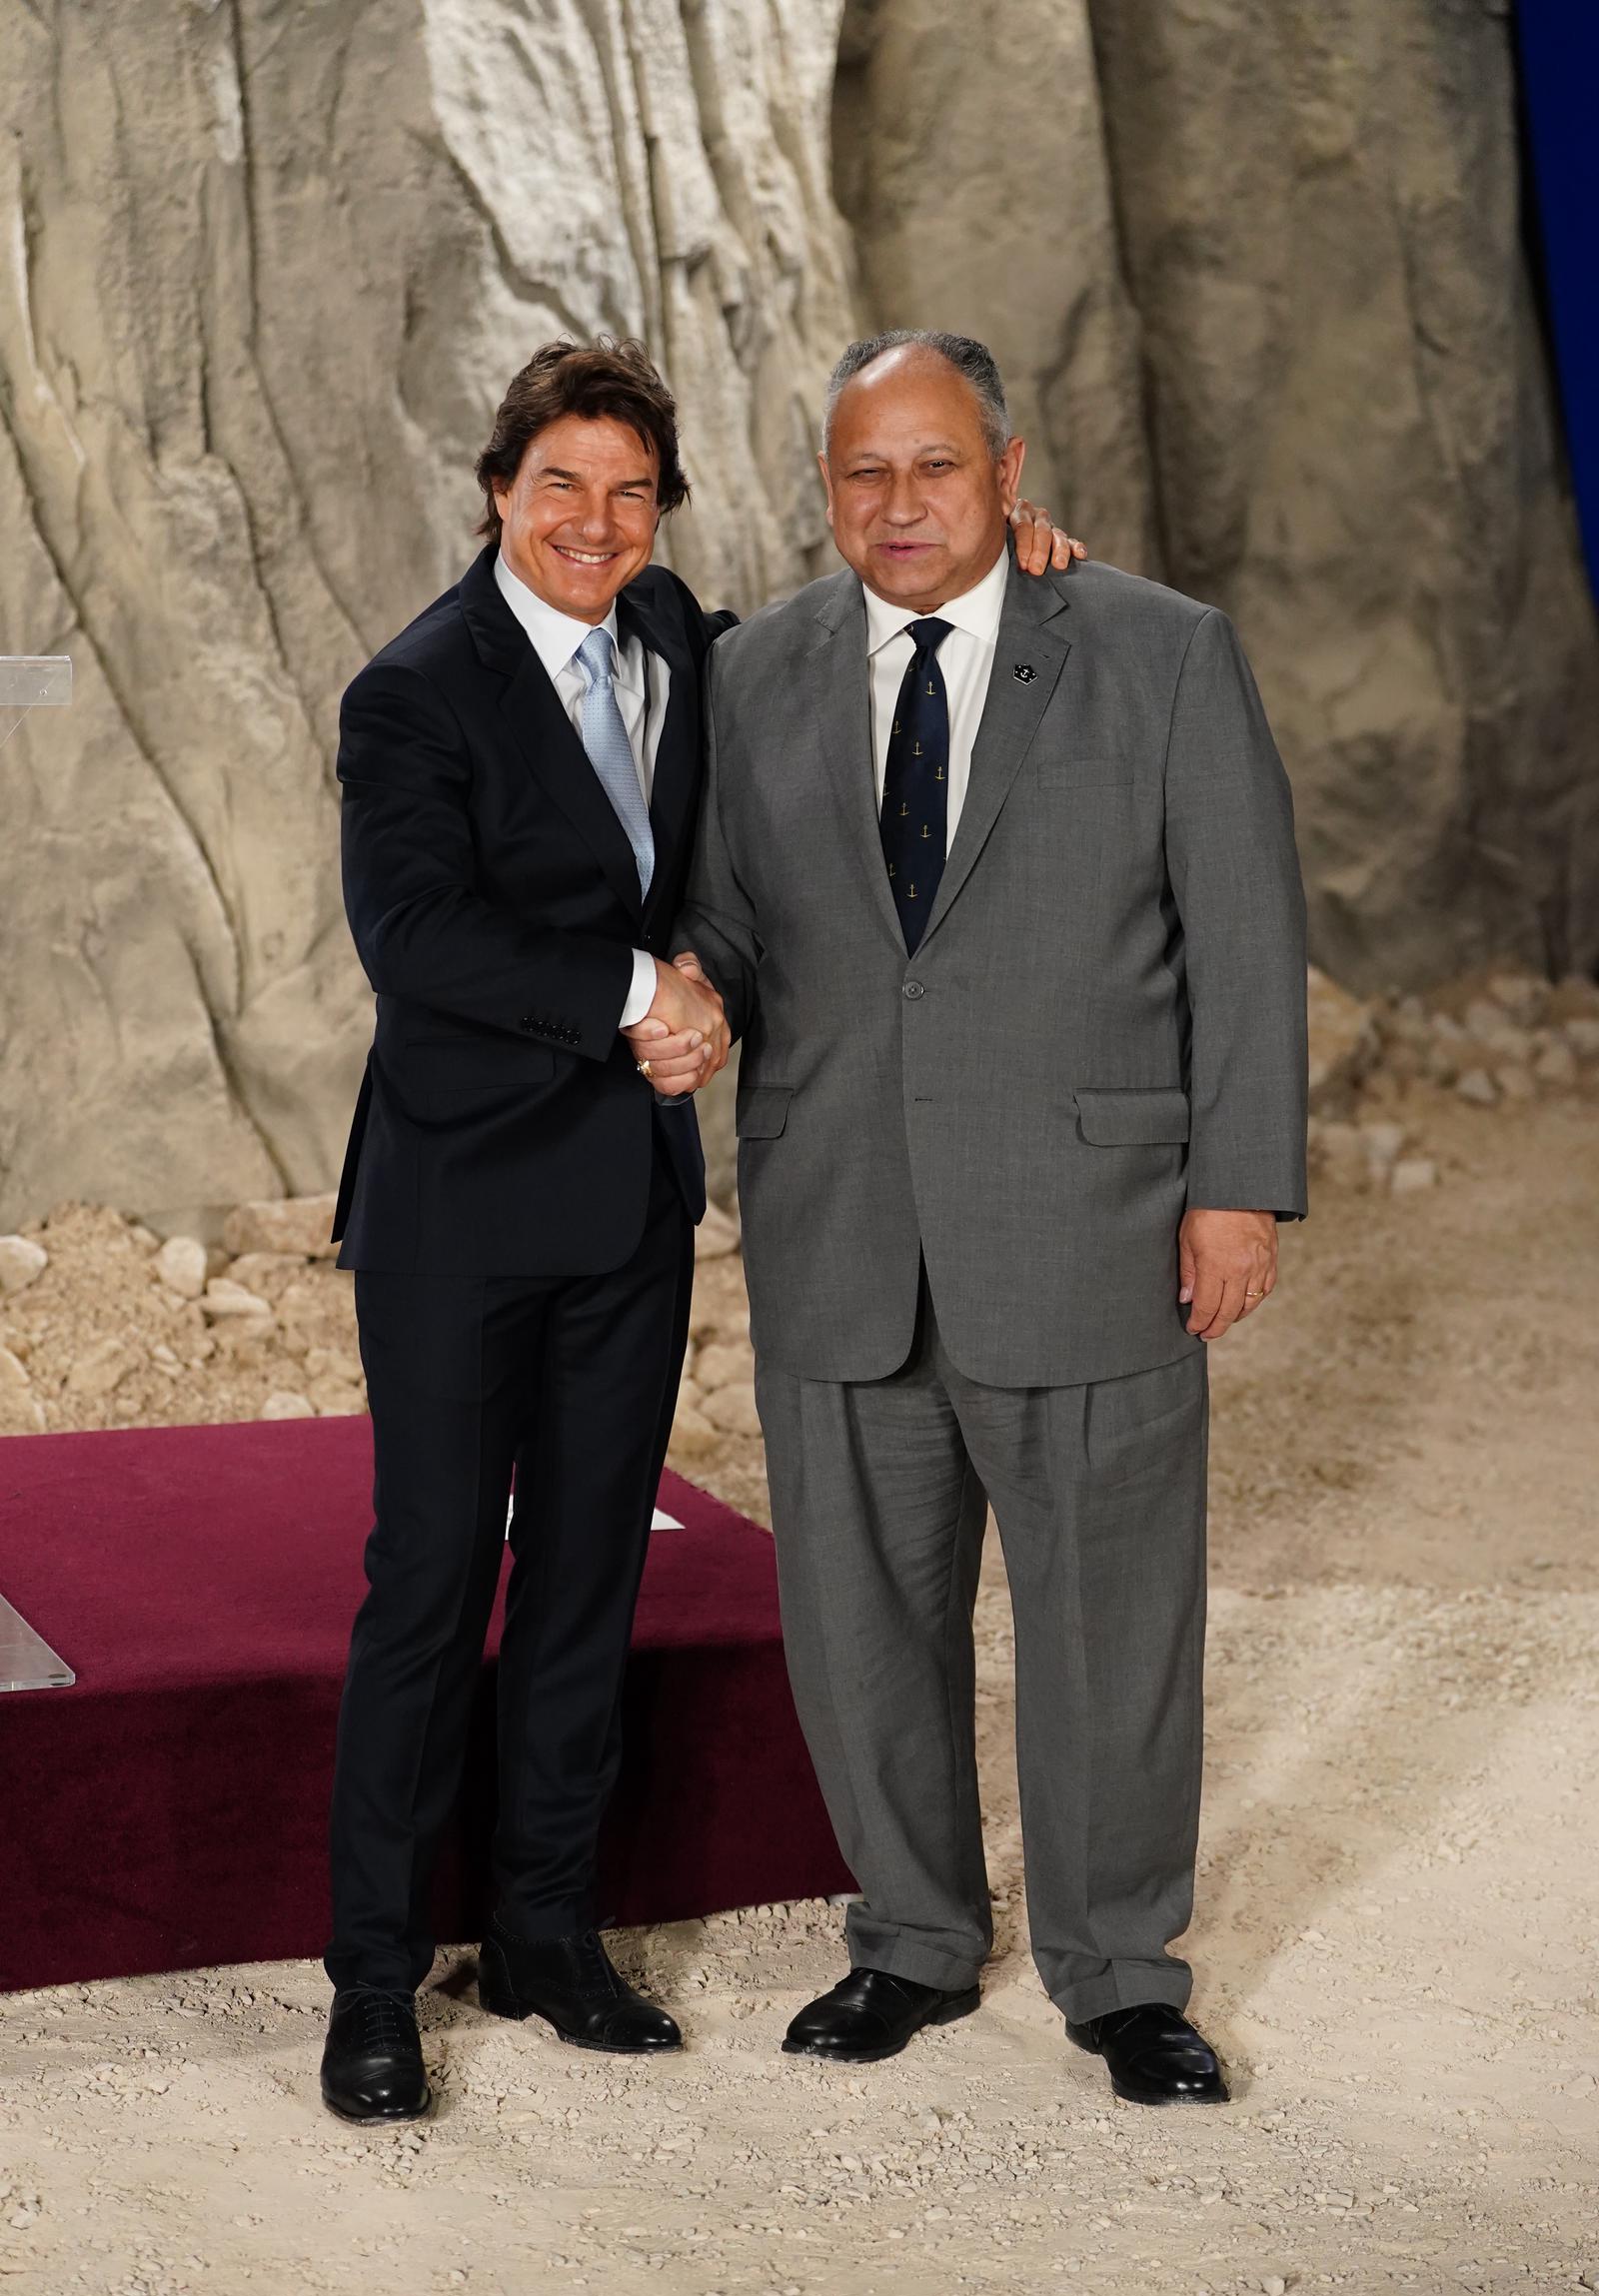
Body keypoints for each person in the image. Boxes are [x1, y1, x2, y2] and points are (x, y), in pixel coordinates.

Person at [320, 337, 1080, 2121]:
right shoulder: (412, 691)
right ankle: (370, 1980)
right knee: (429, 1583)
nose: (596, 520)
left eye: (631, 491)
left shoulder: (687, 645)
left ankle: (544, 1932)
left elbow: (859, 636)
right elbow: (413, 938)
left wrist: (1013, 553)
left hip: (630, 1206)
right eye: (562, 485)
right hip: (457, 1205)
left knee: (589, 1572)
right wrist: (630, 987)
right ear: (500, 491)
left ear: (664, 512)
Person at [635, 330, 1307, 2105]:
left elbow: (1241, 936)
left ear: (1010, 476)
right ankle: (913, 1941)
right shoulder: (757, 670)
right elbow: (736, 916)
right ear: (828, 488)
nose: (900, 503)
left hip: (1093, 1219)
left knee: (1111, 1626)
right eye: (866, 471)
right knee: (863, 1623)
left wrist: (1237, 1187)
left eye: (937, 466)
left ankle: (1119, 1970)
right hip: (841, 1221)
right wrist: (696, 983)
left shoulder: (1160, 652)